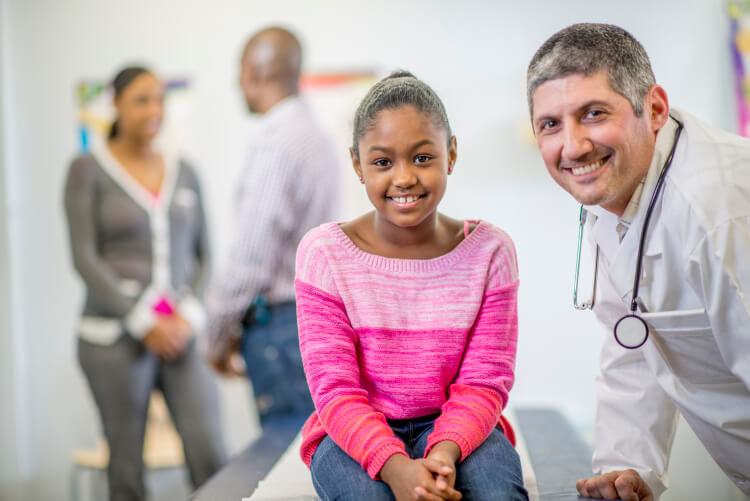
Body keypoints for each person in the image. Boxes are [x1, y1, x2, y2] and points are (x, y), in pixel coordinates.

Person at [527, 23, 750, 500]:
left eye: (593, 113)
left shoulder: (718, 211)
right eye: (551, 124)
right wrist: (626, 466)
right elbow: (634, 336)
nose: (573, 146)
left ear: (654, 109)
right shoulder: (619, 193)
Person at [294, 71, 528, 501]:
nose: (404, 177)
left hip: (457, 428)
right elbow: (335, 390)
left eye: (422, 158)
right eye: (383, 162)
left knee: (498, 494)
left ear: (451, 154)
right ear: (357, 165)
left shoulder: (491, 253)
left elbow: (484, 381)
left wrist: (443, 452)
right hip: (352, 431)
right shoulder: (324, 254)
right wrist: (396, 468)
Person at [64, 66, 225, 501]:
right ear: (115, 104)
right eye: (141, 100)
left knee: (210, 453)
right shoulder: (86, 170)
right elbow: (84, 257)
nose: (154, 110)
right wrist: (143, 322)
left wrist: (187, 318)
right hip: (112, 338)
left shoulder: (185, 170)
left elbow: (205, 255)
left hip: (181, 333)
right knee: (127, 469)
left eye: (159, 99)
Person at [205, 27, 340, 426]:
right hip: (315, 319)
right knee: (318, 447)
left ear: (252, 71)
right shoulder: (316, 136)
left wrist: (214, 337)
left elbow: (249, 260)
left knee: (288, 455)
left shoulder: (274, 142)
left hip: (279, 328)